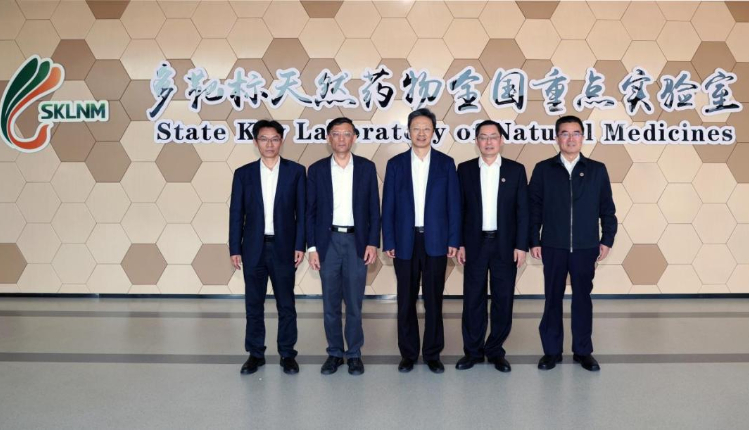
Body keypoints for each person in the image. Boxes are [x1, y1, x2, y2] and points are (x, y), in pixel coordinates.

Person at [529, 115, 617, 372]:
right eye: (565, 133)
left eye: (575, 133)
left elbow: (607, 209)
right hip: (553, 246)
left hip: (585, 246)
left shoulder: (597, 169)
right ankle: (551, 351)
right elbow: (534, 209)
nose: (570, 138)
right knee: (552, 298)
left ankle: (583, 351)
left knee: (582, 299)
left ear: (582, 137)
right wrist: (534, 240)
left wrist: (606, 239)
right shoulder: (543, 169)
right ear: (557, 138)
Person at [382, 108, 461, 374]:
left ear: (434, 132)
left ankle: (432, 353)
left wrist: (453, 239)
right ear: (409, 131)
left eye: (426, 128)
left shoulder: (446, 163)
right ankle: (408, 353)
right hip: (405, 241)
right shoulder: (396, 164)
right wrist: (389, 240)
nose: (421, 133)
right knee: (405, 300)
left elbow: (454, 205)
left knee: (433, 300)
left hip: (436, 241)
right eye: (416, 128)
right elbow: (388, 206)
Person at [229, 119, 306, 375]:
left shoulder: (296, 172)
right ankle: (255, 354)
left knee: (286, 305)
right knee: (254, 304)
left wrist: (300, 244)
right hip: (253, 248)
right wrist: (234, 248)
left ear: (281, 141)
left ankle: (287, 354)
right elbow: (236, 213)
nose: (269, 144)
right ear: (256, 142)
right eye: (264, 139)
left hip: (284, 248)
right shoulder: (243, 174)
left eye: (274, 139)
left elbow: (302, 213)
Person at [306, 117, 380, 376]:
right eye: (336, 134)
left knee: (354, 303)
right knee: (330, 304)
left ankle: (354, 353)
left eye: (346, 133)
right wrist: (312, 248)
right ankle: (335, 353)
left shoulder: (366, 168)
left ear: (354, 138)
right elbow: (310, 212)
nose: (341, 138)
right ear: (329, 138)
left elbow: (374, 209)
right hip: (327, 243)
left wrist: (372, 242)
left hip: (356, 242)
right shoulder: (316, 170)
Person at [455, 120, 529, 373]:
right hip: (474, 244)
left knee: (503, 299)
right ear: (476, 141)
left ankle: (496, 350)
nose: (488, 142)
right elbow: (459, 209)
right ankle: (473, 351)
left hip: (505, 245)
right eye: (483, 137)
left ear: (501, 140)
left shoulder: (516, 170)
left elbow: (522, 211)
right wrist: (460, 243)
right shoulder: (465, 169)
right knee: (472, 299)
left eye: (493, 137)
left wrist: (521, 245)